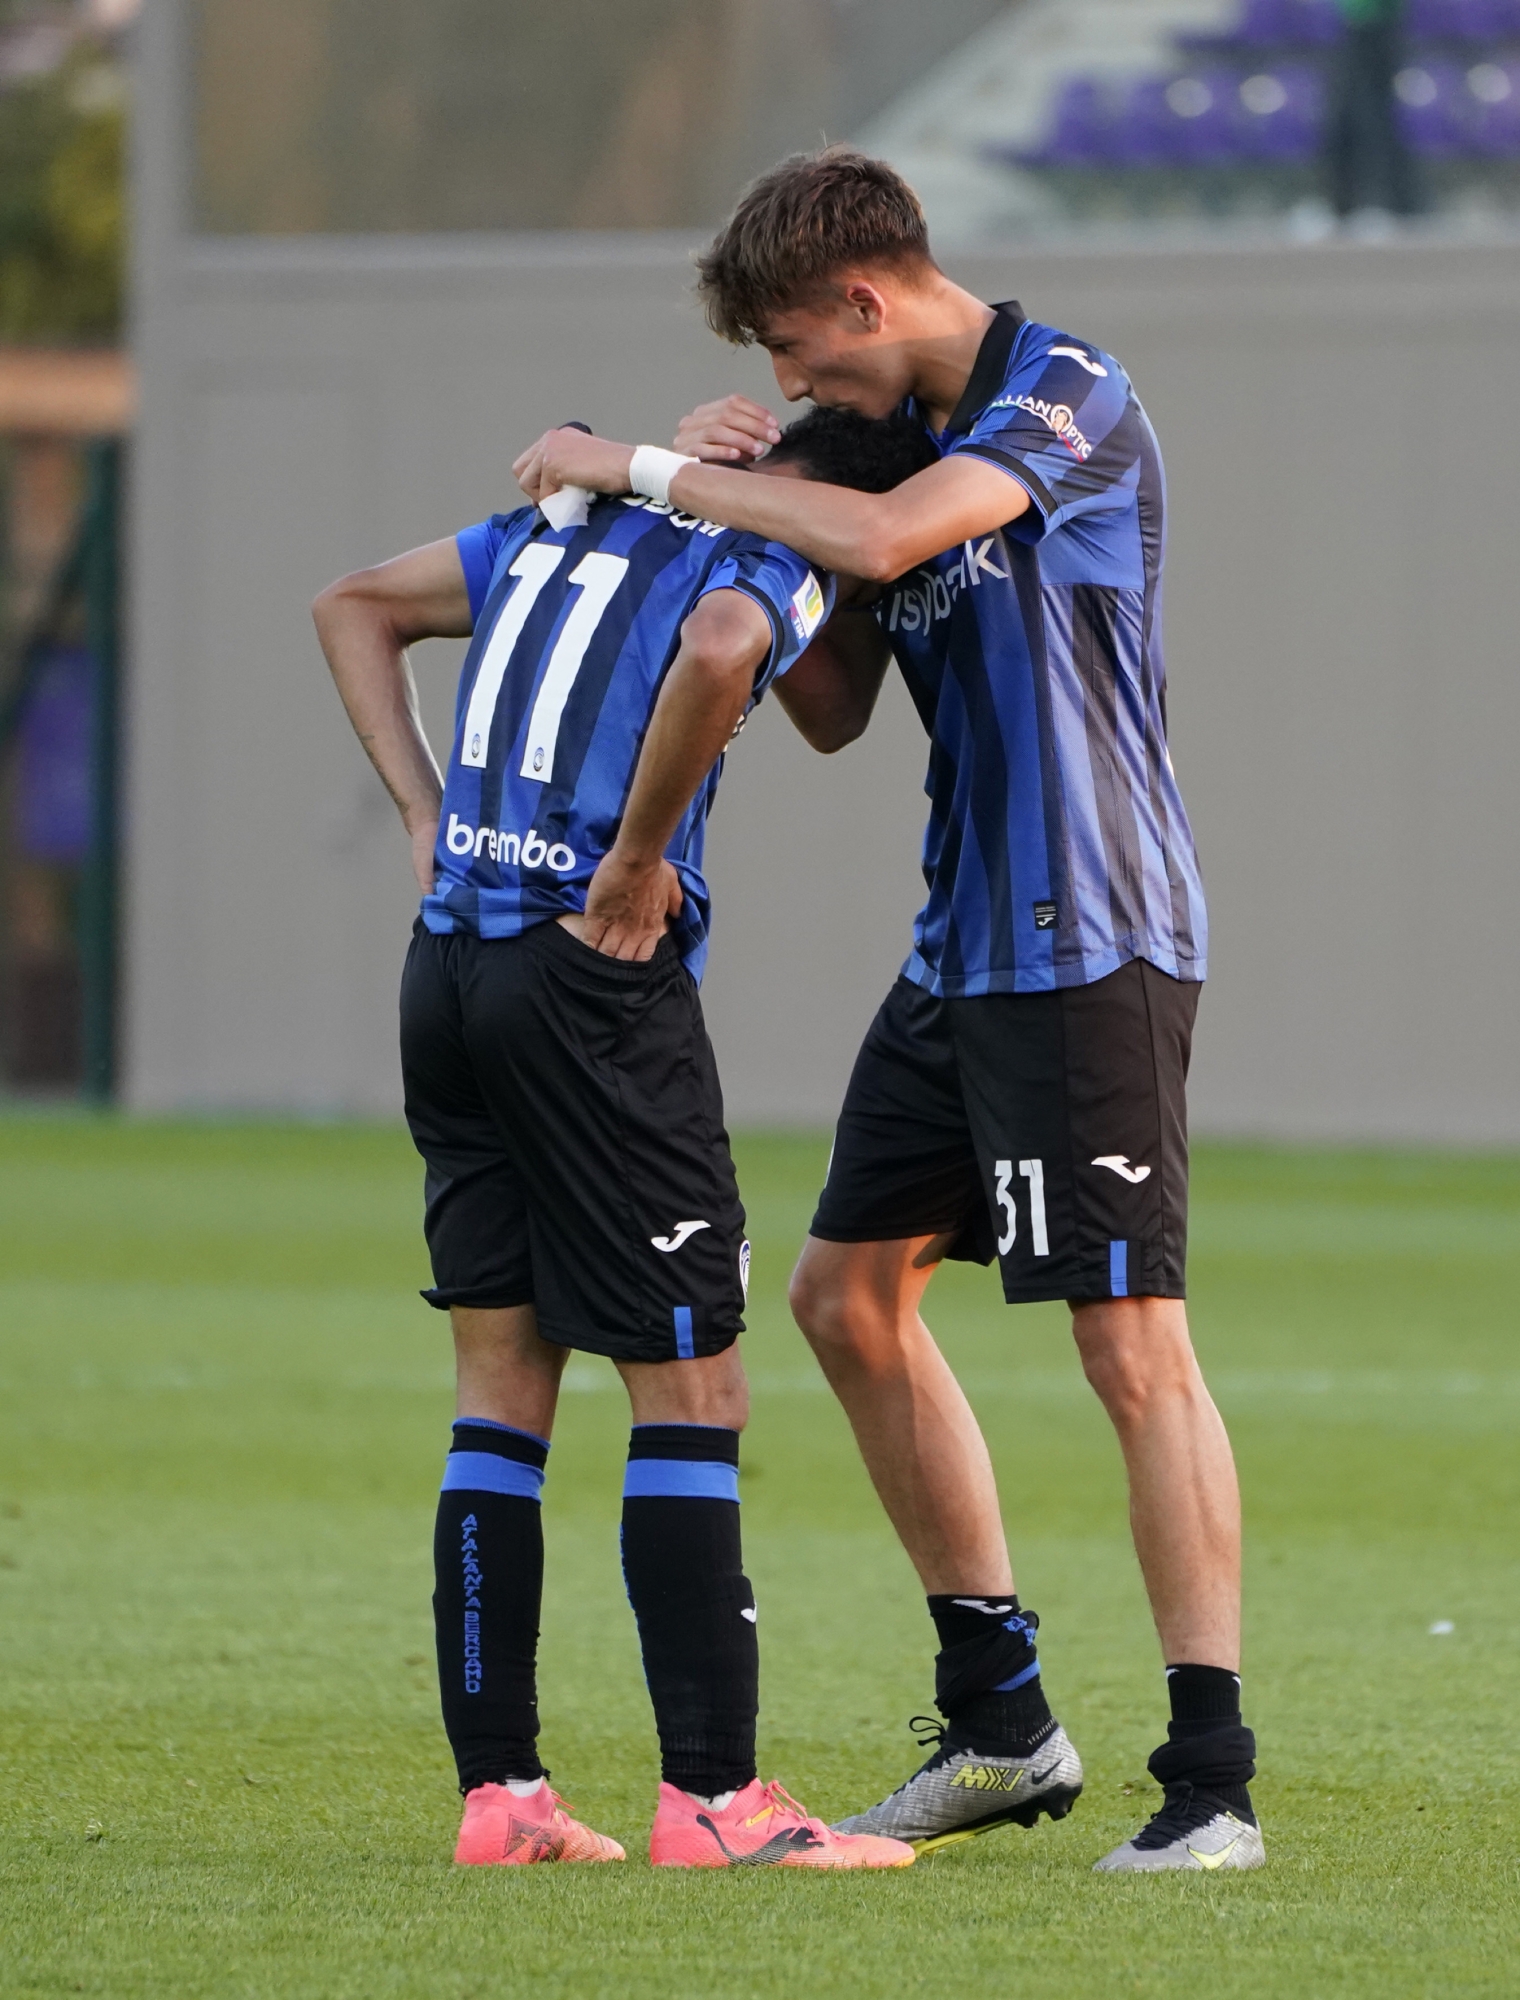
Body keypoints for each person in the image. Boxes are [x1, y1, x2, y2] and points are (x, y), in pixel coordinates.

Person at [515, 146, 1263, 1874]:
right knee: (846, 1302)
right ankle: (1003, 1725)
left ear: (868, 296)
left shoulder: (1064, 389)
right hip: (962, 951)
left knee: (1128, 1347)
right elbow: (842, 702)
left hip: (1094, 937)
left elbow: (891, 536)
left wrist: (642, 467)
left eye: (794, 351)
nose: (790, 381)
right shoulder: (869, 444)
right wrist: (755, 472)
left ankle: (1209, 1787)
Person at [312, 404, 934, 1872]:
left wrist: (426, 809)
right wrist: (640, 854)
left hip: (449, 969)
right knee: (693, 1389)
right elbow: (725, 650)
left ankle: (503, 1802)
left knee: (498, 1390)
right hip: (591, 984)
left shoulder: (562, 521)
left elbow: (351, 605)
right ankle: (716, 1804)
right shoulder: (766, 546)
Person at [1326, 0, 1422, 223]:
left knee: (1373, 120)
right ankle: (1348, 207)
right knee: (1348, 118)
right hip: (1355, 27)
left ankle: (1383, 203)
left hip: (1377, 28)